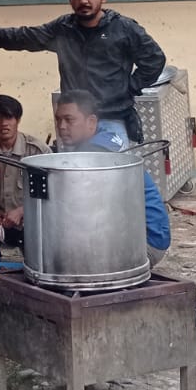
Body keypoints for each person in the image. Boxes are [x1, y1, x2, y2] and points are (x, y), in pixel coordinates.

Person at [0, 0, 165, 145]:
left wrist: (128, 87)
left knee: (109, 177)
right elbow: (23, 37)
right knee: (77, 179)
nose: (84, 1)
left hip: (111, 119)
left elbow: (155, 59)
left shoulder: (124, 28)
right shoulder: (63, 29)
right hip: (74, 122)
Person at [52, 89, 171, 263]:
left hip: (145, 244)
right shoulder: (103, 138)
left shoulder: (96, 153)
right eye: (58, 120)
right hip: (140, 235)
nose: (62, 127)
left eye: (69, 120)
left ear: (91, 122)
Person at [0, 94, 50, 246]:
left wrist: (21, 211)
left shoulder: (38, 152)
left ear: (18, 120)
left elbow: (48, 194)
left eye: (9, 118)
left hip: (31, 223)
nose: (4, 124)